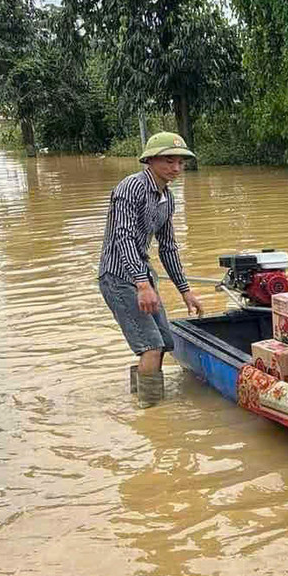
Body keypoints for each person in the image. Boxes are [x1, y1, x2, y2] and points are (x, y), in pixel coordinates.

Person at [97, 132, 205, 404]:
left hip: (143, 274)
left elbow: (168, 247)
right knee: (151, 346)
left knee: (165, 342)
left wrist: (185, 291)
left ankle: (140, 396)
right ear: (150, 160)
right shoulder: (130, 188)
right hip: (118, 276)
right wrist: (141, 285)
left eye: (180, 163)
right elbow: (122, 237)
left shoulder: (167, 198)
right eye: (169, 161)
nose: (176, 168)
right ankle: (151, 412)